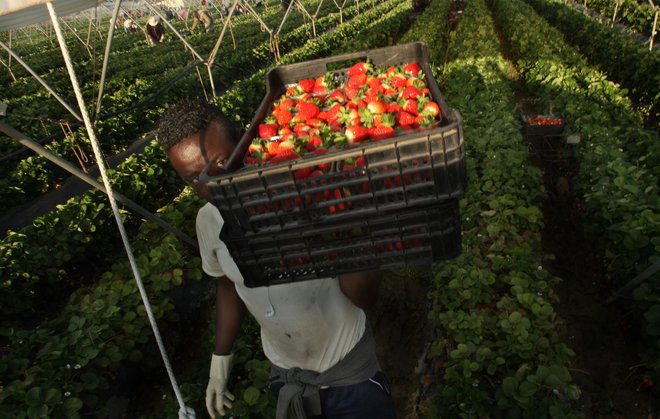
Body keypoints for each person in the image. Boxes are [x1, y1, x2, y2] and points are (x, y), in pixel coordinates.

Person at [155, 98, 396, 419]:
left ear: (244, 142)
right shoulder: (208, 222)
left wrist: (347, 232)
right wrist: (219, 361)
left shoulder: (304, 192)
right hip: (285, 376)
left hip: (348, 376)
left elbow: (365, 296)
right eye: (193, 178)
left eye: (221, 162)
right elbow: (228, 287)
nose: (209, 185)